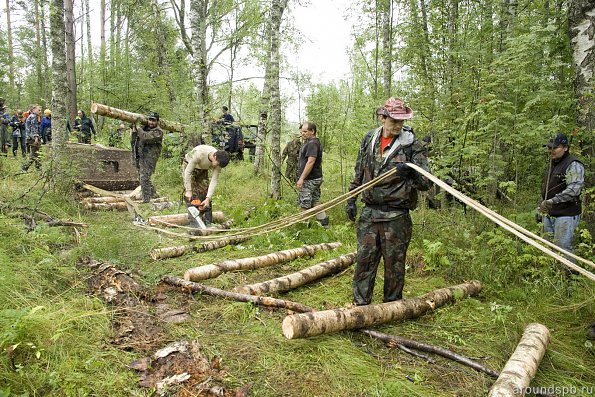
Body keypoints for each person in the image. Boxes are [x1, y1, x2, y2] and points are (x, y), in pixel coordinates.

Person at [346, 97, 431, 305]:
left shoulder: (412, 145)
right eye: (394, 121)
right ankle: (360, 306)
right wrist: (351, 198)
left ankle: (391, 308)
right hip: (369, 213)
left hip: (396, 216)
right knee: (364, 261)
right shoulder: (369, 139)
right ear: (382, 118)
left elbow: (426, 182)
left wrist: (410, 172)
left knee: (394, 265)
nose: (398, 126)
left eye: (402, 121)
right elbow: (359, 171)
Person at [537, 133, 584, 262]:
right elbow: (547, 189)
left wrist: (553, 201)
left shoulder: (573, 164)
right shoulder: (552, 164)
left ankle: (569, 275)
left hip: (566, 213)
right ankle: (552, 274)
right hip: (549, 213)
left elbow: (574, 189)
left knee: (562, 247)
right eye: (549, 148)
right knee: (547, 245)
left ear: (565, 148)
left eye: (555, 148)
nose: (551, 151)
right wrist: (541, 207)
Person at [182, 145, 230, 224]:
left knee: (205, 193)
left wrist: (208, 198)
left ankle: (207, 221)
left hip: (203, 169)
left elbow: (214, 180)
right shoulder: (199, 154)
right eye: (217, 164)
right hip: (189, 165)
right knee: (193, 195)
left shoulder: (219, 161)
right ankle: (193, 222)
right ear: (214, 156)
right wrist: (188, 190)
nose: (217, 166)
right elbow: (188, 172)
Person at [296, 121, 329, 226]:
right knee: (315, 201)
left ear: (312, 131)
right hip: (316, 178)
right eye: (302, 131)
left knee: (304, 202)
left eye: (305, 131)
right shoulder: (311, 142)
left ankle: (303, 228)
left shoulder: (313, 143)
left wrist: (301, 178)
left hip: (310, 179)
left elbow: (311, 161)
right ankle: (324, 223)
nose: (303, 133)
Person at [131, 112, 164, 203]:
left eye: (153, 120)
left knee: (144, 177)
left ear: (157, 121)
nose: (151, 122)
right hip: (140, 156)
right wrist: (134, 130)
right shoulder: (144, 129)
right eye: (150, 120)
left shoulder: (158, 132)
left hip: (150, 158)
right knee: (142, 177)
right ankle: (153, 194)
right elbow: (135, 140)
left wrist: (138, 128)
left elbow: (145, 138)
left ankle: (146, 200)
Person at [23, 104, 42, 171]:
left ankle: (38, 168)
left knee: (38, 153)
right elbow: (34, 128)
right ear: (33, 110)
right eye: (38, 110)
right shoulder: (33, 117)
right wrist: (36, 137)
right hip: (33, 138)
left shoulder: (32, 116)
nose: (40, 111)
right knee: (34, 154)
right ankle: (24, 167)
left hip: (30, 137)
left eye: (40, 110)